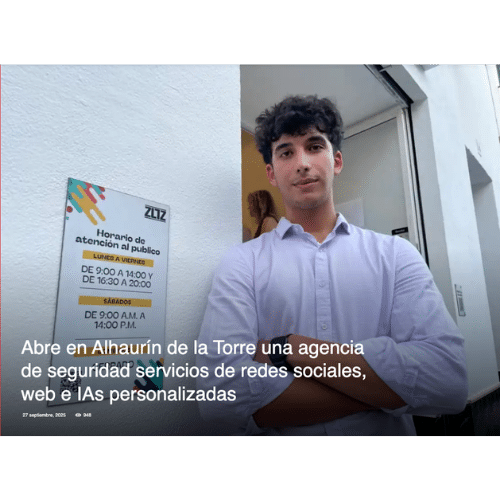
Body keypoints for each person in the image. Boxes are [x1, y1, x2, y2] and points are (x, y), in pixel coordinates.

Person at [196, 95, 468, 436]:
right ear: (271, 173)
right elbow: (218, 397)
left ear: (336, 160)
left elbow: (447, 381)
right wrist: (382, 389)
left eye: (314, 146)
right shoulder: (242, 263)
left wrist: (291, 348)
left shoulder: (397, 254)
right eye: (286, 152)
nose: (302, 163)